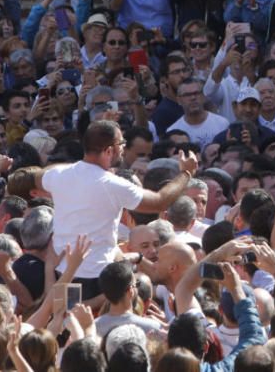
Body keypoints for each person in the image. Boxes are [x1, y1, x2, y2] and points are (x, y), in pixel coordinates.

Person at [36, 120, 198, 298]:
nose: (123, 147)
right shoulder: (113, 184)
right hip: (96, 277)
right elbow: (160, 202)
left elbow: (38, 177)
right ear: (108, 151)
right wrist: (186, 174)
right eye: (121, 143)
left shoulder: (58, 174)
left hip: (64, 272)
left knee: (68, 320)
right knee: (88, 322)